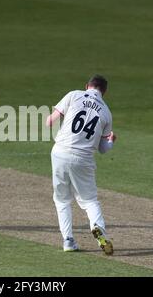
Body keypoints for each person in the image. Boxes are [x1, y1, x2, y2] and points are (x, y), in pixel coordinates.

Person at [46, 74, 116, 255]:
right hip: (83, 159)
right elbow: (103, 149)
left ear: (87, 86)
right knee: (89, 200)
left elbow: (49, 121)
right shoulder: (106, 112)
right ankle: (97, 227)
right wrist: (111, 141)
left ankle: (68, 240)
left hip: (60, 152)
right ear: (104, 92)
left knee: (62, 200)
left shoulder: (74, 95)